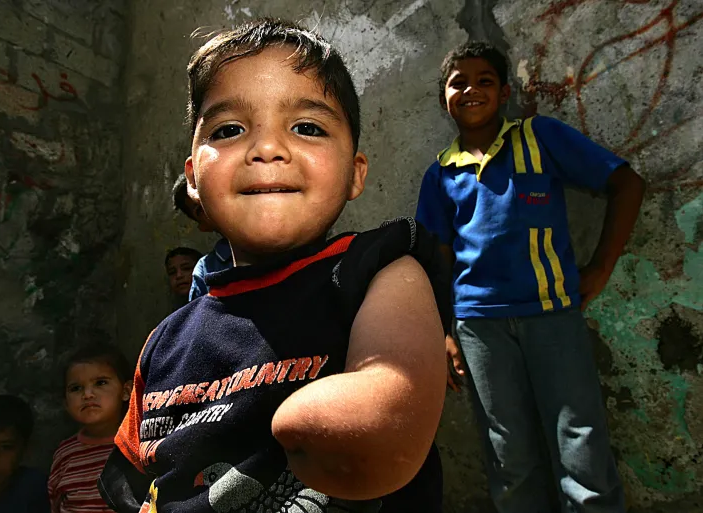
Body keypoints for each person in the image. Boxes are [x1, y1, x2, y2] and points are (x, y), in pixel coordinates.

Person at [98, 18, 450, 512]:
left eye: (307, 128)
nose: (266, 149)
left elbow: (386, 428)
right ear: (194, 178)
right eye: (230, 129)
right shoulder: (164, 340)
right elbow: (126, 475)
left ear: (355, 172)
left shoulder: (376, 269)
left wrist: (306, 420)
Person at [415, 41, 646, 512]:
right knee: (508, 457)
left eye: (485, 81)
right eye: (458, 82)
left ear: (504, 94)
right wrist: (444, 332)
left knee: (580, 445)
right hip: (478, 329)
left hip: (551, 317)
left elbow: (627, 184)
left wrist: (600, 267)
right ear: (444, 100)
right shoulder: (441, 173)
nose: (471, 90)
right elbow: (436, 260)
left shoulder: (539, 138)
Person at [49, 344, 133, 513]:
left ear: (126, 391)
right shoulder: (65, 454)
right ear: (66, 402)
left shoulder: (138, 445)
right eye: (76, 388)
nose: (87, 394)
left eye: (100, 383)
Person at [172, 173, 233, 300]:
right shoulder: (206, 270)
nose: (213, 207)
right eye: (200, 209)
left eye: (213, 196)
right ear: (203, 227)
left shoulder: (280, 238)